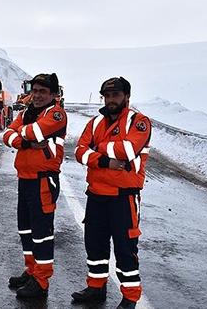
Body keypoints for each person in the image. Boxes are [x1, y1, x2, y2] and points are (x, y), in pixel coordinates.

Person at [72, 77, 151, 309]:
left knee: (126, 248)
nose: (111, 100)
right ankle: (96, 289)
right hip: (96, 195)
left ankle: (130, 297)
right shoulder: (96, 122)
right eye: (107, 95)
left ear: (127, 96)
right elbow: (79, 152)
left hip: (123, 197)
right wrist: (106, 160)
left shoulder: (139, 122)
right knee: (95, 245)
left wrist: (97, 148)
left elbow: (128, 149)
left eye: (116, 95)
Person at [2, 73, 67, 298]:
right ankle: (31, 271)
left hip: (43, 180)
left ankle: (41, 280)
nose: (37, 96)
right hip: (25, 179)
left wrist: (22, 134)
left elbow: (34, 131)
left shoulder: (56, 114)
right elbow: (7, 136)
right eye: (35, 91)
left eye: (43, 92)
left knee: (41, 233)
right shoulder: (27, 112)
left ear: (52, 94)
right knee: (26, 230)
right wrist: (27, 141)